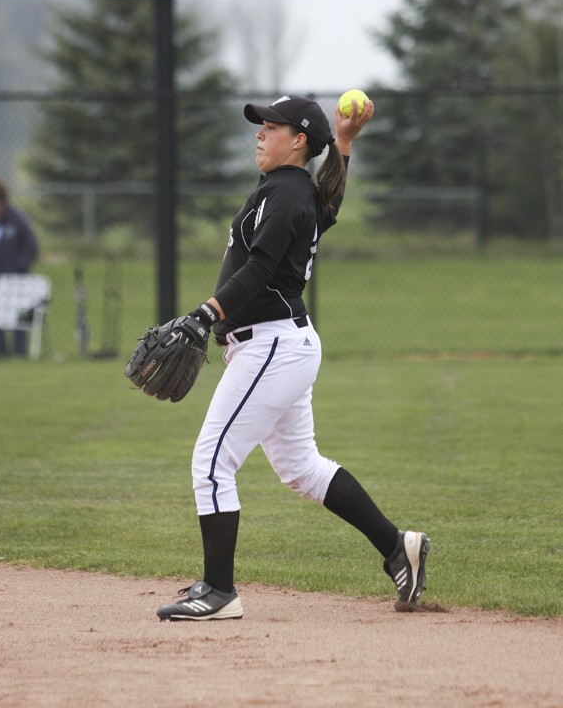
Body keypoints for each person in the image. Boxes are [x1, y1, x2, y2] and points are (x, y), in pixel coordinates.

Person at [156, 95, 430, 621]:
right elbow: (328, 209)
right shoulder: (290, 191)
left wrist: (205, 313)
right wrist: (344, 144)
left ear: (298, 140)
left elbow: (259, 269)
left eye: (271, 126)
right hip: (279, 344)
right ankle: (400, 547)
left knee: (212, 463)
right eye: (260, 125)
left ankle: (218, 591)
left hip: (272, 344)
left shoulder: (284, 194)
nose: (260, 133)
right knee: (301, 467)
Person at [0, 177, 39, 357]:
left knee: (17, 319)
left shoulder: (16, 220)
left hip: (14, 281)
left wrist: (19, 267)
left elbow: (30, 247)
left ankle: (20, 355)